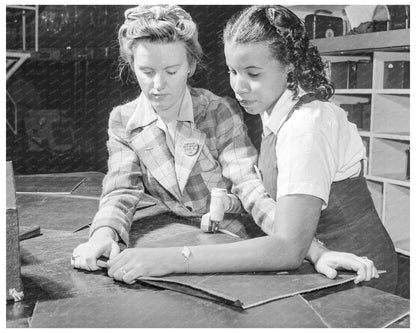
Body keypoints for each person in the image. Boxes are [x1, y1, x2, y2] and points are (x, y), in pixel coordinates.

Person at [71, 5, 380, 287]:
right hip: (204, 245)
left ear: (191, 65)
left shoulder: (256, 116)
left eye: (171, 71)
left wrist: (314, 250)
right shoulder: (272, 110)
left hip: (336, 263)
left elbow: (252, 189)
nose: (158, 85)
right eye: (147, 72)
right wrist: (104, 233)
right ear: (131, 66)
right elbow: (121, 189)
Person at [222, 5, 398, 293]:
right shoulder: (274, 111)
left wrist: (176, 259)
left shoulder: (307, 124)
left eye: (252, 73)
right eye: (232, 71)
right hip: (319, 264)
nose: (238, 86)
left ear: (288, 66)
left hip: (358, 273)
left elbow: (288, 248)